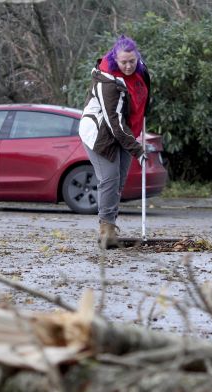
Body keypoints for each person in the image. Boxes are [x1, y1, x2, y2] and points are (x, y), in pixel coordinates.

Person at [79, 35, 151, 248]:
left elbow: (144, 98)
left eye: (132, 61)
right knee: (109, 178)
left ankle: (110, 225)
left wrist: (140, 128)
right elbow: (114, 123)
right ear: (115, 60)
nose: (128, 66)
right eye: (123, 62)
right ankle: (106, 231)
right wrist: (138, 150)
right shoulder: (107, 83)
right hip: (100, 133)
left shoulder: (141, 70)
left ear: (137, 56)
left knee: (118, 182)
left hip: (124, 132)